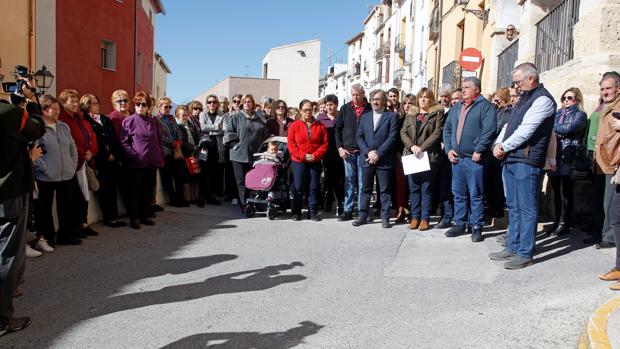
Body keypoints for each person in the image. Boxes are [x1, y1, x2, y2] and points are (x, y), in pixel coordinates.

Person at [490, 62, 556, 269]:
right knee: (514, 206)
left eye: (518, 82)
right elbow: (510, 126)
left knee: (526, 208)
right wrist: (497, 145)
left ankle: (525, 252)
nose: (516, 86)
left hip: (527, 160)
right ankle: (513, 245)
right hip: (512, 158)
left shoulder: (543, 99)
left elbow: (526, 130)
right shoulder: (523, 99)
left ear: (531, 79)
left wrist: (504, 146)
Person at [0, 96, 45, 336]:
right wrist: (32, 101)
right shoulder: (7, 112)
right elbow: (37, 127)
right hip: (7, 193)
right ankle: (2, 319)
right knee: (7, 254)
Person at [443, 77, 496, 242]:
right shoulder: (457, 107)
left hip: (474, 160)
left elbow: (489, 130)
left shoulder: (486, 107)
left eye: (467, 87)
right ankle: (460, 223)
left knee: (476, 194)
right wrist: (449, 149)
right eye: (462, 87)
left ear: (477, 90)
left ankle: (476, 226)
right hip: (457, 159)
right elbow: (448, 129)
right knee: (458, 193)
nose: (463, 90)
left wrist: (479, 150)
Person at [33, 94, 79, 248]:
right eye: (54, 109)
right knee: (45, 208)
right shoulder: (38, 128)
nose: (58, 112)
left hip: (66, 173)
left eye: (58, 109)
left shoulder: (63, 126)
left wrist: (72, 165)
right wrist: (44, 168)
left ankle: (66, 235)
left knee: (66, 206)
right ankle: (48, 236)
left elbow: (72, 148)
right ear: (45, 110)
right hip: (46, 176)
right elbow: (35, 152)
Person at [352, 90, 398, 229]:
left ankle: (385, 217)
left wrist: (378, 153)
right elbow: (359, 137)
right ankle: (363, 215)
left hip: (383, 159)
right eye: (373, 99)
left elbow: (392, 138)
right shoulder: (365, 117)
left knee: (384, 189)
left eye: (378, 99)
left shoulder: (391, 116)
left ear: (384, 101)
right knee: (365, 189)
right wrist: (368, 152)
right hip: (366, 159)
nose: (375, 102)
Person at [401, 88, 445, 231]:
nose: (423, 100)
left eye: (426, 97)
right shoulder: (411, 114)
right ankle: (415, 218)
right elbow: (403, 132)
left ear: (431, 99)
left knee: (426, 188)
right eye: (421, 97)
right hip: (412, 155)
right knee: (413, 188)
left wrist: (422, 147)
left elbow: (437, 133)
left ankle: (425, 219)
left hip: (428, 156)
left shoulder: (437, 114)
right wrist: (412, 146)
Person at [58, 89, 99, 239]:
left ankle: (82, 223)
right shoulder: (62, 120)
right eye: (72, 101)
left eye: (76, 101)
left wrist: (91, 151)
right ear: (63, 103)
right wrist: (84, 153)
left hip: (83, 162)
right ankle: (74, 226)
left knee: (84, 195)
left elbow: (92, 136)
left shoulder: (80, 118)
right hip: (71, 164)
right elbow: (71, 141)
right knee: (73, 197)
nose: (76, 104)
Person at [546, 88, 587, 236]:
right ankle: (557, 221)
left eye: (570, 98)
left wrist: (555, 129)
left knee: (566, 192)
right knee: (556, 192)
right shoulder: (557, 113)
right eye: (564, 98)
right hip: (554, 156)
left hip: (569, 156)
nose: (566, 100)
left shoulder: (580, 115)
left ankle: (565, 223)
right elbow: (553, 129)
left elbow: (570, 128)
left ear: (577, 100)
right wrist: (557, 129)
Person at [120, 92, 164, 229]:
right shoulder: (129, 121)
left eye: (143, 104)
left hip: (152, 162)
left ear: (148, 106)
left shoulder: (154, 121)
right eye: (137, 104)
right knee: (135, 191)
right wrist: (135, 155)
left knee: (148, 190)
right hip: (136, 163)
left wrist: (160, 154)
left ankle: (145, 215)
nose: (140, 107)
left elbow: (158, 140)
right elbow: (124, 142)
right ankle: (134, 218)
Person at [81, 94, 126, 228]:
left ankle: (115, 216)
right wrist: (106, 154)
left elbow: (114, 138)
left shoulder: (105, 119)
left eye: (97, 102)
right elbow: (93, 141)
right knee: (104, 190)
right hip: (100, 160)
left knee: (113, 189)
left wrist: (114, 153)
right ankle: (109, 218)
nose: (97, 105)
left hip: (113, 159)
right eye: (94, 103)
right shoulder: (86, 120)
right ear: (86, 105)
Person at [335, 84, 372, 221]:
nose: (355, 97)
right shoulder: (344, 109)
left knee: (363, 183)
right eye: (353, 95)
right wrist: (340, 147)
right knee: (349, 182)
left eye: (358, 95)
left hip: (364, 152)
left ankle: (363, 211)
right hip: (348, 152)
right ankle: (348, 210)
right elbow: (337, 130)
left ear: (363, 94)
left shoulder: (370, 109)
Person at [225, 94, 268, 212]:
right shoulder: (237, 116)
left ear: (253, 103)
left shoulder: (259, 118)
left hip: (254, 155)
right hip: (238, 154)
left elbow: (265, 134)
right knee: (241, 181)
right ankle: (244, 203)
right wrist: (235, 145)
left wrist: (264, 148)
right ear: (242, 104)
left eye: (250, 101)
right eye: (245, 102)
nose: (247, 104)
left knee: (251, 179)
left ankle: (249, 201)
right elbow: (229, 132)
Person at [288, 99, 328, 221]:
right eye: (305, 110)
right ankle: (296, 212)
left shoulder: (320, 126)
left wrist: (315, 155)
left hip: (314, 161)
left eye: (310, 109)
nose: (308, 112)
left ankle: (313, 212)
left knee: (313, 186)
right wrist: (304, 155)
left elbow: (324, 144)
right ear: (300, 110)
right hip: (299, 161)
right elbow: (291, 145)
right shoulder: (294, 126)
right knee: (299, 186)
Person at [592, 73, 620, 249]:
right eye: (602, 88)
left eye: (608, 88)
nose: (604, 91)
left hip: (613, 161)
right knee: (600, 200)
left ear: (618, 88)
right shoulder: (604, 106)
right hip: (600, 160)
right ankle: (600, 233)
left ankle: (609, 237)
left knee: (609, 203)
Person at [486, 88, 512, 219]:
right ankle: (492, 206)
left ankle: (498, 208)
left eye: (498, 98)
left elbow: (496, 128)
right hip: (491, 150)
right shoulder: (497, 110)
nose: (495, 101)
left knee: (498, 182)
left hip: (498, 151)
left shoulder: (507, 112)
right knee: (491, 181)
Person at [316, 94, 345, 215]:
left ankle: (340, 203)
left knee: (338, 180)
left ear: (336, 105)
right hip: (325, 154)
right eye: (327, 105)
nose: (329, 107)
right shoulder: (320, 118)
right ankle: (326, 203)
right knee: (326, 180)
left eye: (331, 104)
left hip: (340, 153)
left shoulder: (342, 116)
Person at [156, 97, 186, 207]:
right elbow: (161, 136)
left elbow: (178, 131)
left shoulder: (172, 119)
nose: (168, 109)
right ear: (159, 107)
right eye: (166, 107)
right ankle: (173, 199)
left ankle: (180, 197)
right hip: (165, 152)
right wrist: (174, 144)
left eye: (170, 107)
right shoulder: (157, 119)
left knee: (179, 176)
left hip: (176, 151)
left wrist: (178, 143)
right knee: (167, 178)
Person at [198, 95, 225, 206]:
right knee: (203, 171)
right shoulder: (203, 114)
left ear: (217, 104)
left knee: (214, 172)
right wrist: (216, 126)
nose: (212, 104)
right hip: (205, 144)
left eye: (214, 102)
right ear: (207, 104)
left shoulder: (222, 115)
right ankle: (201, 197)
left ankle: (211, 196)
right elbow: (203, 127)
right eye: (209, 102)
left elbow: (225, 129)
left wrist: (213, 128)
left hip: (217, 145)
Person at [175, 105, 200, 203]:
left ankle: (193, 198)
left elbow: (195, 136)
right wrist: (193, 147)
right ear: (177, 116)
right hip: (184, 155)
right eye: (183, 115)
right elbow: (182, 141)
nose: (185, 117)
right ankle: (188, 198)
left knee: (194, 176)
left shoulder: (189, 124)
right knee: (186, 178)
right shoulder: (178, 126)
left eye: (186, 115)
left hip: (192, 154)